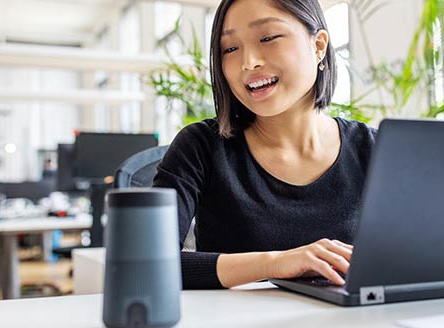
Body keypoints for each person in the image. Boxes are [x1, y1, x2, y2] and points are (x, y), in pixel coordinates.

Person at [153, 0, 377, 289]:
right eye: (230, 49)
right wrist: (274, 264)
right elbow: (147, 263)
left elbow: (421, 256)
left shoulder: (375, 150)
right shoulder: (200, 147)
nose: (248, 62)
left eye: (268, 38)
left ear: (319, 45)